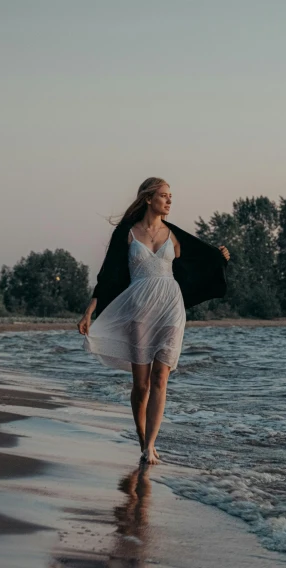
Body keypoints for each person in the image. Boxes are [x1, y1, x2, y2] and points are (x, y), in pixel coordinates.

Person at [77, 177, 230, 465]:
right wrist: (89, 311)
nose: (169, 201)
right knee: (141, 384)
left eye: (171, 196)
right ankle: (141, 435)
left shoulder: (174, 235)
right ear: (149, 199)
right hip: (138, 310)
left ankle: (150, 445)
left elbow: (197, 264)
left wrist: (218, 258)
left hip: (171, 308)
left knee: (161, 377)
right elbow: (108, 275)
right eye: (164, 195)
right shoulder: (128, 233)